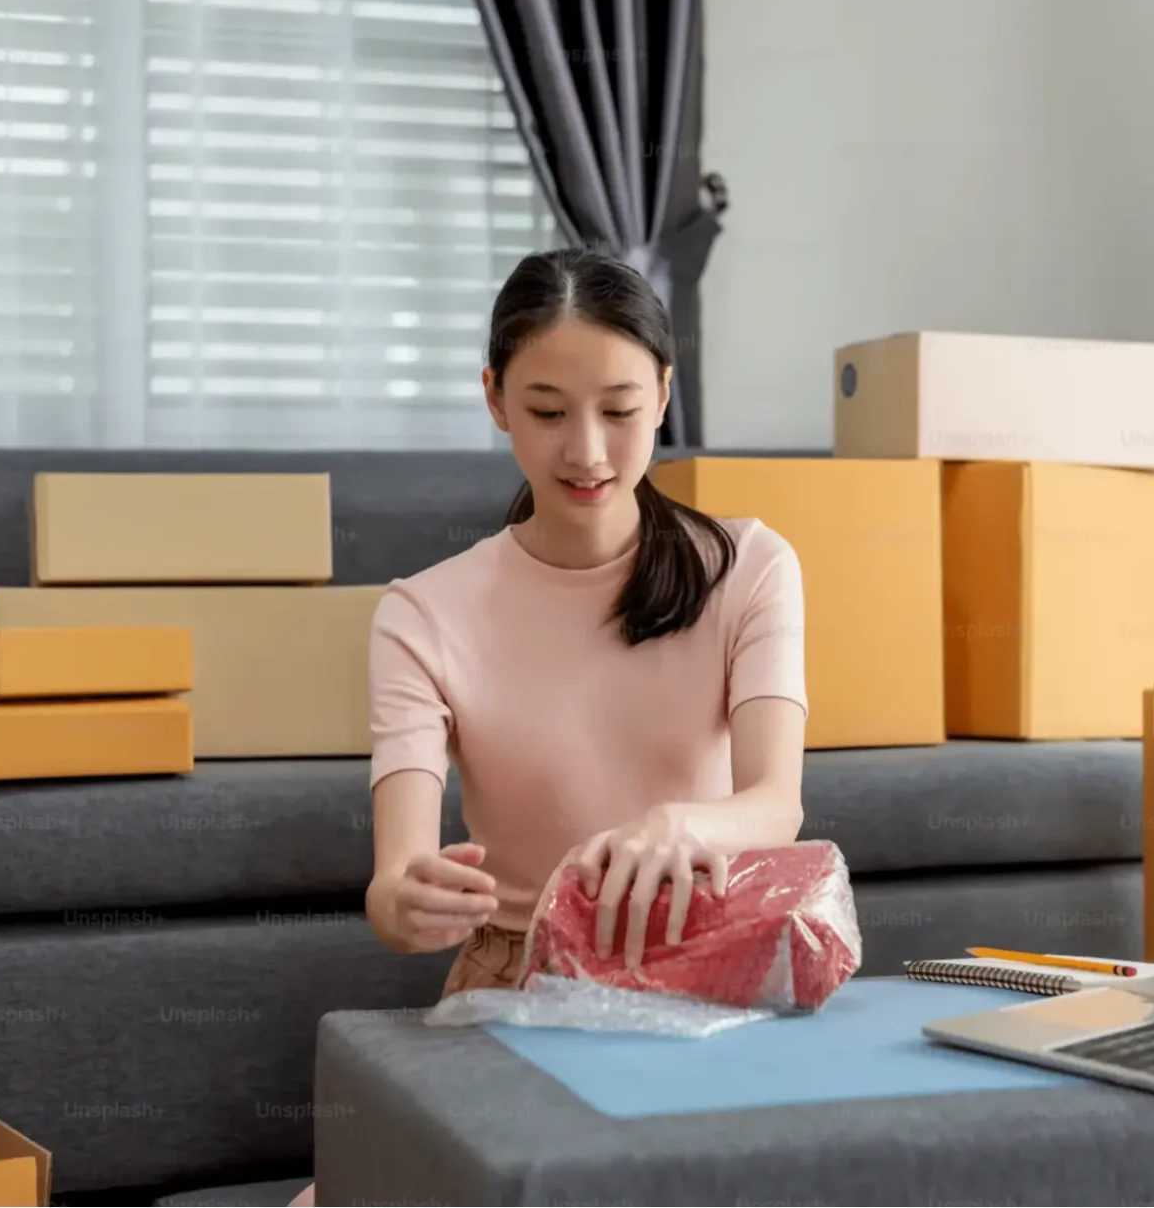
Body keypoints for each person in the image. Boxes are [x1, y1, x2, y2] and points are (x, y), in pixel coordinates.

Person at [286, 246, 808, 1208]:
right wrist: (410, 903)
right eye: (546, 411)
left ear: (662, 390)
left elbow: (776, 803)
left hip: (702, 975)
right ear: (493, 399)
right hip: (516, 988)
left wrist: (683, 825)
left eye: (618, 409)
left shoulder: (751, 566)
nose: (588, 452)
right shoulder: (423, 612)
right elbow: (394, 890)